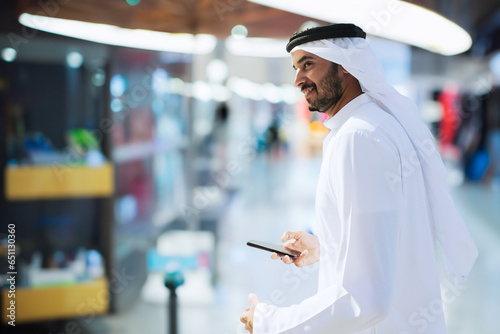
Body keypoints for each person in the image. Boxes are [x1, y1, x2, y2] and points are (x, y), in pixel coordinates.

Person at [240, 23, 478, 334]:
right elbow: (390, 235)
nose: (298, 79)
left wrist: (269, 321)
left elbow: (365, 297)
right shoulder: (376, 126)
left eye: (308, 64)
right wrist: (327, 246)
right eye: (296, 67)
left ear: (345, 67)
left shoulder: (358, 138)